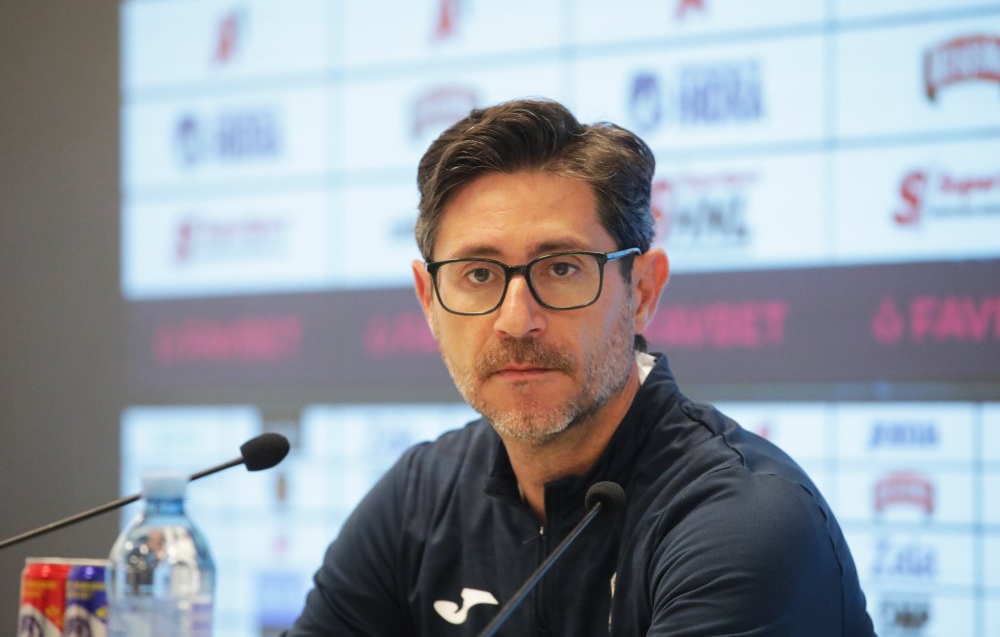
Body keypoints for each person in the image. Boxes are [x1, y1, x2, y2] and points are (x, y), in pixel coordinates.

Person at [287, 99, 874, 635]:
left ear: (642, 290)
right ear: (429, 301)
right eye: (478, 274)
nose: (516, 320)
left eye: (562, 268)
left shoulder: (745, 521)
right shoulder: (420, 498)